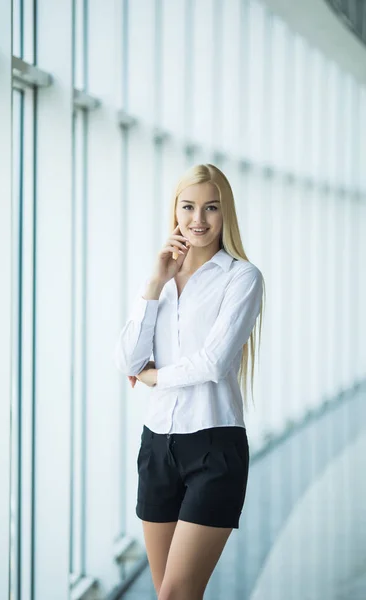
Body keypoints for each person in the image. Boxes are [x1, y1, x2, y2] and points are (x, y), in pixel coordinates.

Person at [113, 163, 265, 600]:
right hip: (157, 446)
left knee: (175, 593)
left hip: (214, 448)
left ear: (226, 214)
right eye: (188, 207)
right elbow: (125, 358)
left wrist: (155, 377)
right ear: (175, 212)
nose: (198, 219)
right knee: (173, 594)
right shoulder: (158, 280)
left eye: (211, 208)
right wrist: (154, 282)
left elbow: (213, 362)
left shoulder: (242, 277)